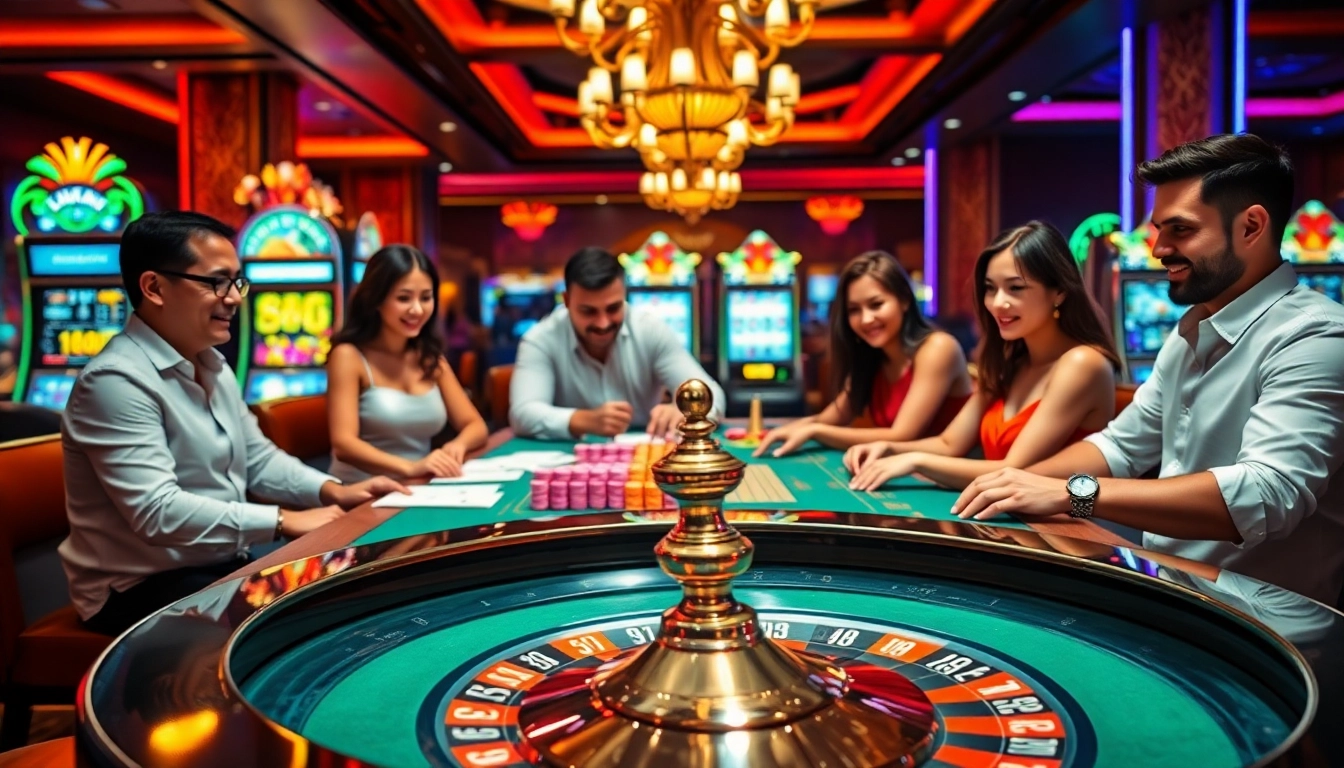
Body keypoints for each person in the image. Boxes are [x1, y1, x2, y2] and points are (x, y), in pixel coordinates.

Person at [952, 134, 1344, 607]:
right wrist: (1012, 484)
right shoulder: (1187, 334)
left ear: (1251, 226)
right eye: (1159, 229)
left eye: (1180, 230)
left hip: (1266, 620)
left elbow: (1264, 493)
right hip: (1171, 590)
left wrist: (1071, 493)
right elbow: (1118, 446)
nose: (1158, 248)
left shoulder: (1316, 336)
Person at [60, 212, 407, 636]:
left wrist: (334, 490)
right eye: (216, 282)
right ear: (154, 288)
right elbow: (157, 512)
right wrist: (283, 520)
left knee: (355, 586)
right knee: (314, 621)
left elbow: (258, 460)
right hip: (137, 588)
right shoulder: (115, 380)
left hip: (216, 564)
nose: (234, 298)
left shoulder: (213, 365)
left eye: (236, 282)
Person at [844, 221, 1118, 491]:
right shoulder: (1010, 362)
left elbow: (1013, 470)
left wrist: (915, 461)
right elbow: (949, 443)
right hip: (1000, 510)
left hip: (1066, 518)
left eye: (1015, 288)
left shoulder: (1083, 363)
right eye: (990, 288)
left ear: (1059, 292)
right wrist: (888, 448)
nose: (997, 303)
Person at [753, 251, 972, 458]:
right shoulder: (872, 356)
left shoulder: (937, 348)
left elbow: (902, 435)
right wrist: (780, 431)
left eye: (876, 305)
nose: (866, 319)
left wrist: (815, 431)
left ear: (904, 300)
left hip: (953, 478)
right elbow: (828, 419)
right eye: (854, 310)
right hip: (904, 472)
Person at [509, 246, 726, 439]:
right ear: (566, 301)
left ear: (624, 296)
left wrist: (686, 413)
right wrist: (583, 420)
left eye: (613, 308)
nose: (603, 323)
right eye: (588, 311)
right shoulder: (540, 339)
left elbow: (713, 396)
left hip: (647, 454)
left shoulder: (650, 330)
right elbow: (523, 414)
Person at [327, 245, 488, 481]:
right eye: (404, 298)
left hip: (417, 488)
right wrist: (410, 467)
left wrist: (457, 446)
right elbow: (344, 444)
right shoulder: (348, 356)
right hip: (360, 492)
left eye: (426, 297)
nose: (417, 309)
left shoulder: (429, 357)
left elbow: (476, 425)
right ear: (376, 299)